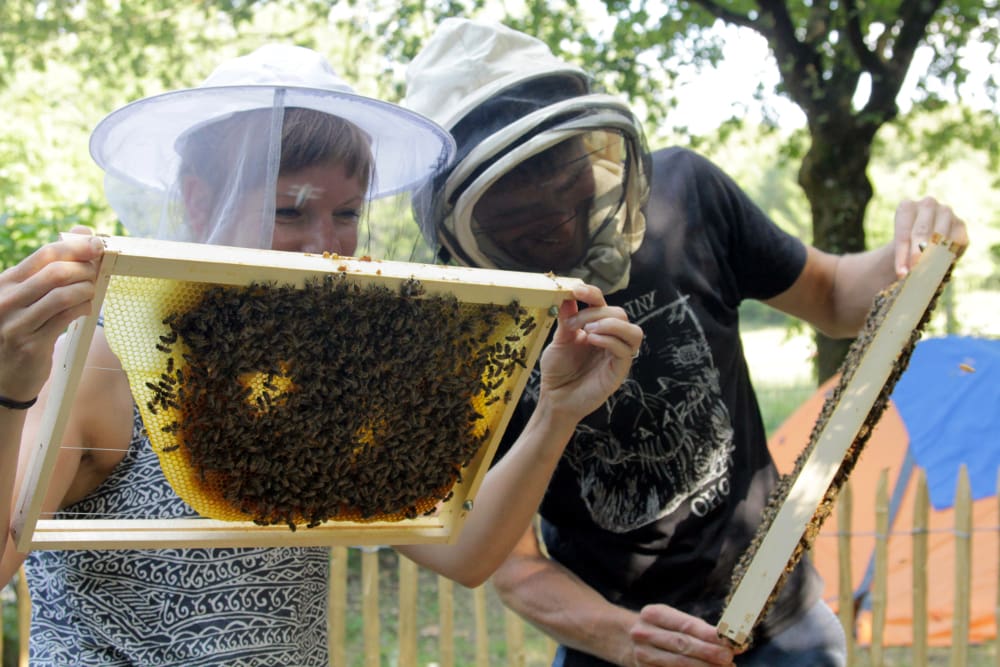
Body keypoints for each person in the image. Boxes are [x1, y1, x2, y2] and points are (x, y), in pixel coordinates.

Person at [0, 43, 644, 665]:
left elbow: (467, 556)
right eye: (288, 211)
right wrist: (10, 385)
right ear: (200, 201)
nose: (323, 244)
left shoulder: (323, 376)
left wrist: (556, 412)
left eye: (346, 212)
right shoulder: (101, 362)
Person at [403, 18, 970, 667]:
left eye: (566, 182)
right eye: (521, 215)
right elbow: (510, 562)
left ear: (591, 148)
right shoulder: (457, 331)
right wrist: (624, 636)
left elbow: (836, 295)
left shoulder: (686, 195)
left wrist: (913, 251)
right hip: (614, 645)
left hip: (783, 627)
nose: (560, 220)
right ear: (457, 223)